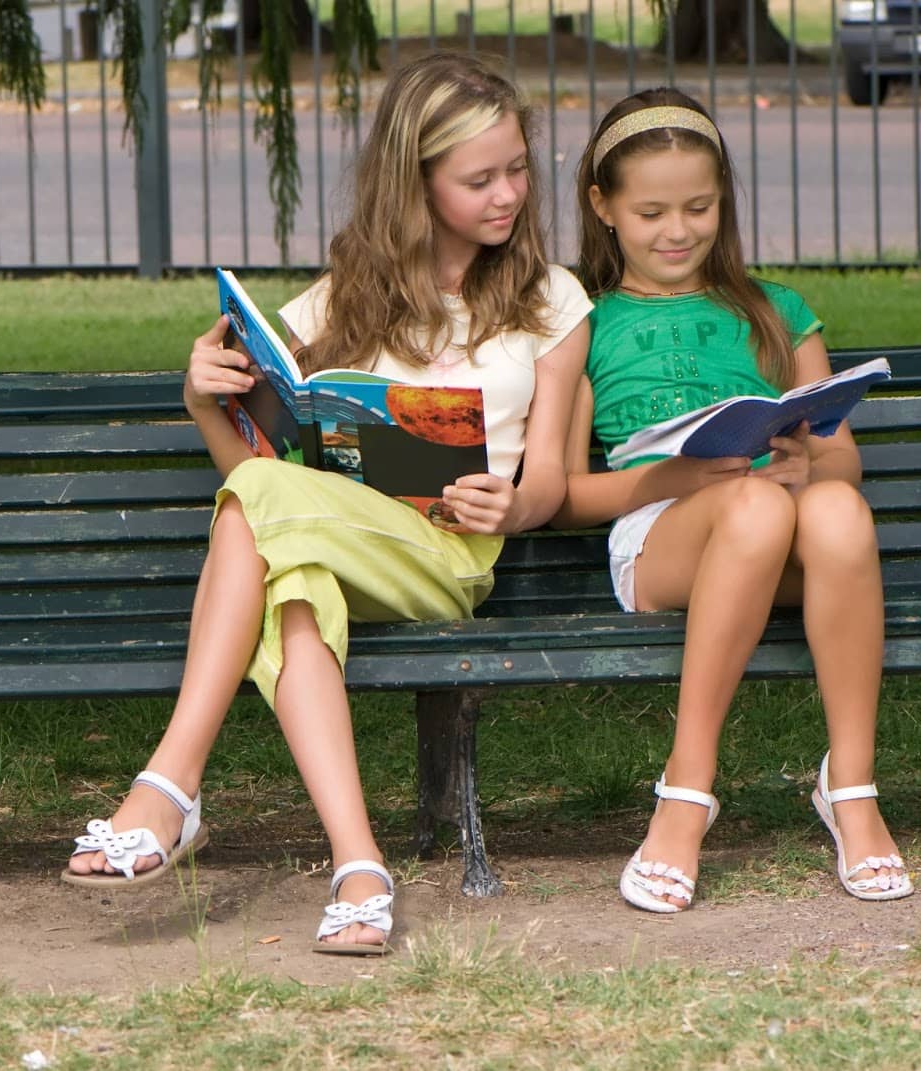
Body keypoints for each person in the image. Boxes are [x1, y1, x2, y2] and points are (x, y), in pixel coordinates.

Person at [61, 53, 592, 954]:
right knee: (293, 580)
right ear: (413, 184)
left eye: (516, 170)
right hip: (329, 538)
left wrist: (516, 505)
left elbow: (551, 475)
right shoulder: (340, 301)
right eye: (479, 179)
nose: (507, 194)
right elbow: (253, 482)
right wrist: (205, 402)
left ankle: (172, 782)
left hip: (450, 557)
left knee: (271, 511)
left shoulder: (551, 302)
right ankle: (359, 869)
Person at [555, 87, 911, 912]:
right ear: (601, 205)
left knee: (833, 508)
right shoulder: (586, 323)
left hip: (778, 532)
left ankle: (851, 783)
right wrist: (678, 480)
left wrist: (803, 467)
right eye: (650, 212)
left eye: (699, 207)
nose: (677, 230)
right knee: (753, 507)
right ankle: (687, 788)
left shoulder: (775, 311)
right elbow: (567, 494)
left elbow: (843, 462)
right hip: (659, 540)